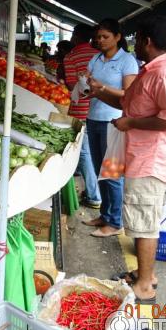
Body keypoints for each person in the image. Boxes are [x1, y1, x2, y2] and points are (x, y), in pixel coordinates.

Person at [88, 15, 166, 303]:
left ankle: (145, 285)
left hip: (151, 159)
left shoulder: (164, 74)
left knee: (144, 220)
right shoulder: (151, 71)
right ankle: (144, 272)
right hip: (138, 155)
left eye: (136, 38)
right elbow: (126, 102)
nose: (134, 44)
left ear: (147, 41)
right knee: (140, 217)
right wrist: (101, 92)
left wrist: (132, 123)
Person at [83, 19, 138, 237]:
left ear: (118, 37)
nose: (100, 41)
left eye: (105, 36)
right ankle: (105, 216)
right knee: (100, 172)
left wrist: (102, 87)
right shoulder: (95, 59)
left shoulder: (127, 61)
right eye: (98, 37)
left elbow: (129, 94)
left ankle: (115, 223)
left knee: (112, 174)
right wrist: (87, 88)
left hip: (114, 122)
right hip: (94, 118)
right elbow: (91, 86)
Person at [63, 25, 101, 208]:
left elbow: (71, 86)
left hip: (80, 110)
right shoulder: (100, 55)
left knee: (84, 152)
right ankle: (98, 192)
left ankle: (95, 195)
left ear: (76, 37)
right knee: (97, 153)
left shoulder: (70, 57)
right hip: (101, 109)